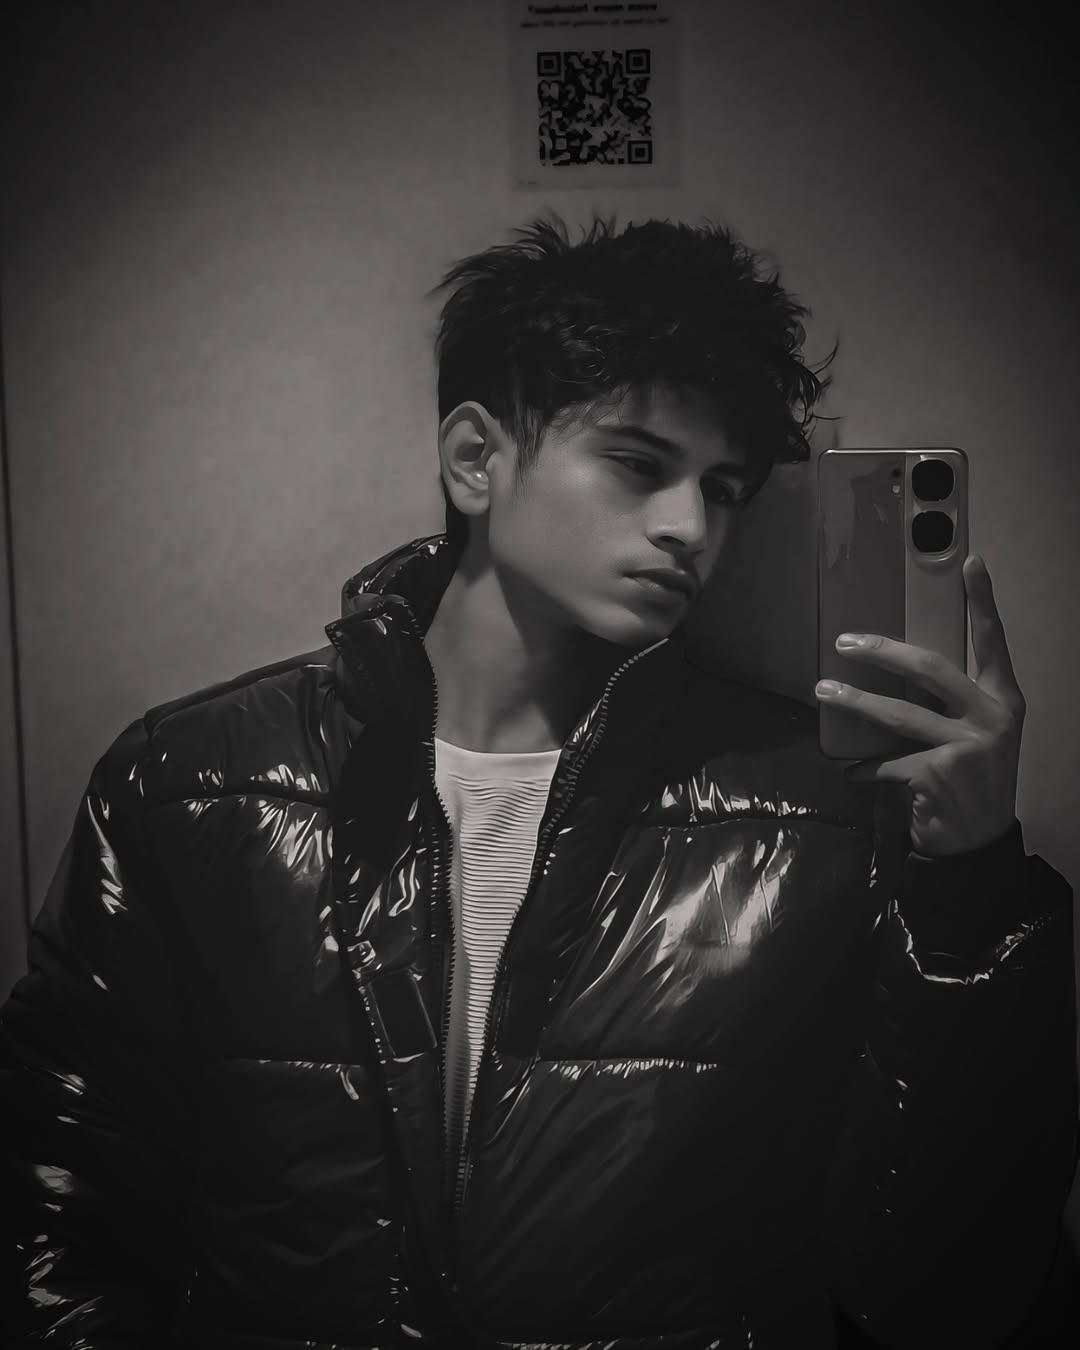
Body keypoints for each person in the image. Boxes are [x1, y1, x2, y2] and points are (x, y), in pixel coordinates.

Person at [1, 211, 1076, 1350]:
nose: (690, 527)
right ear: (476, 460)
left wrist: (969, 891)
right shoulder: (189, 781)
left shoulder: (821, 812)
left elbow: (940, 1283)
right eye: (638, 464)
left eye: (723, 488)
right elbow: (61, 1209)